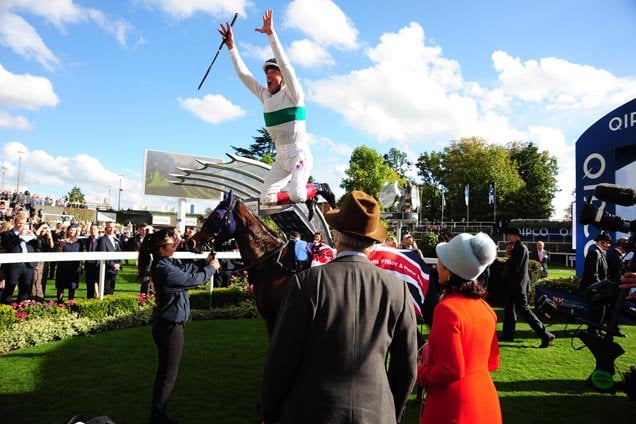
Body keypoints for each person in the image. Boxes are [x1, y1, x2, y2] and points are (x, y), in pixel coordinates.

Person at [260, 191, 417, 424]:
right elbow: (407, 369)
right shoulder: (398, 289)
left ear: (336, 235)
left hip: (313, 413)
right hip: (376, 413)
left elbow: (281, 358)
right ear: (373, 244)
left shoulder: (307, 283)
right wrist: (391, 412)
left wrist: (270, 412)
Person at [218, 9, 336, 215]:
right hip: (281, 158)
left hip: (299, 154)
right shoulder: (265, 96)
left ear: (282, 76)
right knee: (266, 199)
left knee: (297, 195)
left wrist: (271, 34)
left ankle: (317, 188)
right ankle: (307, 194)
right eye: (267, 72)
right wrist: (231, 47)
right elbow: (244, 75)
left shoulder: (294, 95)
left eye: (273, 71)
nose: (268, 75)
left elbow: (286, 64)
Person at [138, 228, 220, 424]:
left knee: (165, 374)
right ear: (161, 249)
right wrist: (212, 268)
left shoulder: (166, 264)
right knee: (168, 376)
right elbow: (193, 279)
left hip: (168, 326)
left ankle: (159, 415)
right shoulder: (164, 270)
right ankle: (158, 418)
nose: (175, 246)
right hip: (170, 328)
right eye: (171, 245)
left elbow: (187, 270)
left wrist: (205, 261)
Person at [417, 232, 501, 424]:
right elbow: (492, 361)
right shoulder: (485, 308)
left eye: (441, 261)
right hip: (484, 399)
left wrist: (419, 373)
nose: (437, 265)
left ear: (450, 270)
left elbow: (450, 370)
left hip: (454, 404)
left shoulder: (447, 309)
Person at [501, 227, 555, 347]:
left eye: (510, 235)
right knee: (509, 310)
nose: (508, 237)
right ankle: (508, 335)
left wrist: (508, 258)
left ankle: (545, 334)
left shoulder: (520, 248)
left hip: (518, 285)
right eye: (508, 235)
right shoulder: (516, 247)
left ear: (517, 236)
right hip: (514, 285)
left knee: (525, 311)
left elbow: (516, 267)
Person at [0, 214, 41, 303]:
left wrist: (35, 237)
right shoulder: (7, 234)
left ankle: (21, 309)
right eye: (20, 223)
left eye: (23, 223)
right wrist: (19, 236)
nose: (22, 225)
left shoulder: (28, 234)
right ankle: (5, 308)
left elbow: (38, 246)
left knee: (25, 289)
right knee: (9, 288)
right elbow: (7, 246)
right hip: (14, 265)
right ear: (15, 222)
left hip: (28, 265)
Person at [55, 224, 83, 302]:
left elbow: (81, 255)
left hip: (74, 267)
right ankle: (60, 302)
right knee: (61, 286)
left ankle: (70, 303)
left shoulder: (79, 242)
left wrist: (80, 266)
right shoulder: (63, 241)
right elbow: (58, 254)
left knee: (72, 286)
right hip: (63, 266)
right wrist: (60, 245)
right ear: (67, 230)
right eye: (71, 230)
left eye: (74, 230)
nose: (72, 231)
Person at [97, 221, 121, 295]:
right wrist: (113, 265)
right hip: (106, 270)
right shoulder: (102, 240)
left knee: (111, 290)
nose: (111, 229)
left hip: (114, 270)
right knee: (105, 290)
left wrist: (119, 264)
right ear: (106, 228)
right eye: (109, 227)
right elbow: (103, 255)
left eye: (113, 227)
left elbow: (119, 253)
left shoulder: (115, 239)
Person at [83, 223, 101, 298]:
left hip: (98, 265)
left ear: (98, 230)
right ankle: (89, 299)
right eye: (91, 229)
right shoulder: (88, 240)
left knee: (99, 283)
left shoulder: (101, 240)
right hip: (89, 266)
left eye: (94, 229)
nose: (93, 231)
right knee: (89, 285)